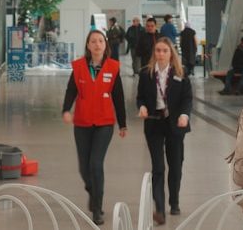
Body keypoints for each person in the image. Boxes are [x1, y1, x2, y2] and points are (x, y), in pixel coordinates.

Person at [62, 30, 127, 225]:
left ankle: (97, 209)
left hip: (104, 123)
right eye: (93, 41)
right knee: (84, 167)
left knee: (95, 164)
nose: (97, 44)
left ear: (105, 45)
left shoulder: (113, 67)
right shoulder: (79, 67)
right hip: (81, 122)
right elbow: (71, 91)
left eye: (100, 41)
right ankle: (92, 190)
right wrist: (66, 110)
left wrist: (122, 124)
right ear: (88, 46)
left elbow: (119, 97)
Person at [137, 37, 193, 226]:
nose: (160, 54)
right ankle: (159, 208)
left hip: (175, 124)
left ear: (171, 53)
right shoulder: (146, 74)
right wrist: (142, 107)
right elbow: (140, 97)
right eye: (158, 50)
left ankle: (174, 201)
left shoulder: (180, 73)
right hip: (154, 123)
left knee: (175, 165)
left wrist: (185, 114)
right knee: (158, 167)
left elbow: (187, 98)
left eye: (164, 51)